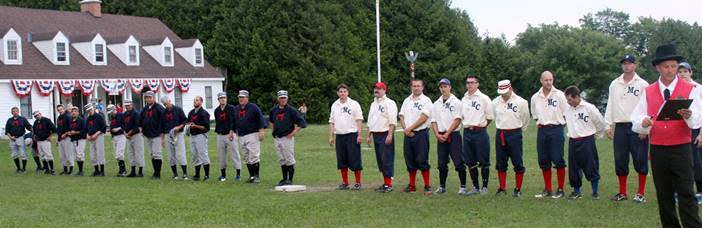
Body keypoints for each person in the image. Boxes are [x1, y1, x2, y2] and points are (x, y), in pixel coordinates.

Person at [631, 44, 702, 227]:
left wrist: (689, 115)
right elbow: (636, 119)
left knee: (686, 192)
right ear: (658, 68)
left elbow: (698, 119)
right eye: (666, 66)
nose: (670, 70)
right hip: (658, 149)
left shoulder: (690, 88)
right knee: (664, 195)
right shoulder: (648, 91)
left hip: (681, 148)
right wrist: (644, 122)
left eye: (673, 66)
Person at [604, 54, 650, 203]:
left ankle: (640, 193)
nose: (627, 66)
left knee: (640, 159)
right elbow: (610, 104)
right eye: (624, 63)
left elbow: (649, 107)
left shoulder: (642, 84)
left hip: (637, 126)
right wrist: (608, 125)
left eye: (630, 63)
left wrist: (645, 129)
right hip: (621, 127)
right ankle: (623, 192)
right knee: (620, 160)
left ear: (635, 65)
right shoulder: (614, 84)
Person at [563, 86, 606, 200]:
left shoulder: (589, 108)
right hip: (573, 140)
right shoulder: (567, 109)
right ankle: (577, 192)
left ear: (577, 97)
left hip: (587, 140)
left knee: (591, 166)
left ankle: (595, 192)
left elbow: (600, 123)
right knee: (573, 168)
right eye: (567, 100)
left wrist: (594, 136)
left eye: (570, 100)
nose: (568, 102)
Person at [530, 71, 568, 199]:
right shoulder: (535, 97)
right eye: (546, 80)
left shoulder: (560, 95)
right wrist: (543, 124)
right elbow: (535, 115)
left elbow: (566, 113)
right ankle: (548, 189)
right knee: (543, 160)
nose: (549, 82)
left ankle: (561, 189)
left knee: (558, 159)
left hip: (556, 129)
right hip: (542, 130)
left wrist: (557, 126)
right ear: (541, 80)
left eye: (550, 80)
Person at [492, 80, 530, 197]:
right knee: (500, 163)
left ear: (510, 88)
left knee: (517, 162)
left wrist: (517, 131)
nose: (503, 94)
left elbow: (525, 119)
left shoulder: (521, 102)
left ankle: (518, 189)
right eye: (501, 92)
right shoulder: (495, 102)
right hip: (500, 134)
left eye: (505, 92)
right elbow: (495, 117)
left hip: (515, 134)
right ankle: (502, 188)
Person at [430, 78, 467, 194]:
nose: (443, 89)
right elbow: (433, 121)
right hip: (440, 136)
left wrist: (447, 133)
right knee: (441, 163)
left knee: (458, 162)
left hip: (453, 135)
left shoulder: (456, 102)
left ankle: (463, 186)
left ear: (450, 87)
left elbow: (457, 119)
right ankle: (442, 186)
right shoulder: (436, 103)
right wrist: (437, 134)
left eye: (445, 86)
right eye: (441, 87)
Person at [399, 79, 434, 195]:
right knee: (410, 160)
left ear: (422, 87)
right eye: (414, 86)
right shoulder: (407, 100)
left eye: (418, 86)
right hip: (408, 134)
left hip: (420, 134)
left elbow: (424, 117)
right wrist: (406, 129)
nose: (416, 88)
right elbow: (402, 116)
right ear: (411, 87)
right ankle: (412, 185)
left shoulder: (426, 100)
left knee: (422, 159)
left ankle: (427, 185)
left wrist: (410, 128)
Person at [461, 76, 494, 195]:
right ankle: (475, 187)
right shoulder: (464, 99)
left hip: (480, 131)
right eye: (468, 83)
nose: (469, 85)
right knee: (470, 160)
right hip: (467, 132)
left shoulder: (484, 98)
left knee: (483, 159)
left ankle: (484, 187)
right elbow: (462, 116)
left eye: (472, 83)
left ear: (477, 84)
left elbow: (490, 117)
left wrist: (482, 126)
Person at [329, 84, 364, 190]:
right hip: (339, 135)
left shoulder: (354, 104)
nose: (342, 93)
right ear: (337, 93)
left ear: (348, 92)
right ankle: (345, 183)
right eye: (340, 91)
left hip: (352, 135)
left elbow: (359, 120)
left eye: (344, 91)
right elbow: (331, 121)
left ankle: (358, 183)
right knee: (342, 160)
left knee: (355, 159)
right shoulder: (335, 105)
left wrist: (359, 134)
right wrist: (331, 136)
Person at [269, 90, 307, 186]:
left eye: (284, 98)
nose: (283, 100)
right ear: (278, 98)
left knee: (289, 158)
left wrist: (293, 133)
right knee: (281, 159)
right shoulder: (274, 110)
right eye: (281, 98)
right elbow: (271, 121)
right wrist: (273, 130)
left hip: (287, 138)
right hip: (277, 138)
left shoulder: (291, 110)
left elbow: (302, 123)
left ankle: (290, 179)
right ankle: (284, 178)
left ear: (287, 98)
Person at [367, 82, 398, 193]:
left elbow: (392, 120)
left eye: (379, 89)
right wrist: (369, 135)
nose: (376, 90)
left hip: (385, 134)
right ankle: (385, 183)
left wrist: (390, 134)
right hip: (376, 134)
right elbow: (371, 120)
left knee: (387, 159)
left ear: (384, 90)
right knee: (380, 160)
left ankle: (389, 184)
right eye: (375, 88)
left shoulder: (389, 103)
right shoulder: (373, 104)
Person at [679, 62, 702, 203]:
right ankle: (681, 191)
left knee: (697, 162)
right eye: (680, 71)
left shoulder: (698, 88)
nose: (682, 74)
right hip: (680, 130)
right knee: (681, 162)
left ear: (691, 73)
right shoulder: (675, 89)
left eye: (685, 71)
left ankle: (700, 191)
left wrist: (701, 134)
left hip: (695, 130)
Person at [234, 90, 266, 183]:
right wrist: (232, 131)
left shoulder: (253, 107)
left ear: (247, 98)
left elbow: (260, 118)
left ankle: (256, 176)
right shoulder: (236, 109)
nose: (241, 99)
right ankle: (251, 176)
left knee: (254, 155)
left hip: (252, 134)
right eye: (240, 97)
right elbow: (234, 121)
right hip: (241, 135)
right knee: (246, 156)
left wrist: (261, 131)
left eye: (243, 97)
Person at [214, 92, 242, 182]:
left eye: (224, 98)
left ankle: (238, 174)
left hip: (230, 133)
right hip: (220, 134)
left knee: (234, 153)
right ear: (218, 100)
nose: (223, 99)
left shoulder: (231, 108)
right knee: (221, 155)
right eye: (221, 98)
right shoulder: (216, 110)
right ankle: (223, 175)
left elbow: (234, 120)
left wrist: (231, 131)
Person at [139, 91, 165, 179]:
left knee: (157, 153)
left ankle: (158, 174)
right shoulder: (145, 108)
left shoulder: (159, 108)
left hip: (156, 134)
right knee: (152, 154)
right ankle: (155, 172)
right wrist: (141, 128)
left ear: (153, 98)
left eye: (150, 97)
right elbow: (141, 119)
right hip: (148, 134)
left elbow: (163, 119)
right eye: (146, 97)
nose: (148, 99)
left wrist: (162, 132)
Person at [161, 96, 189, 180]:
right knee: (171, 155)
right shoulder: (163, 113)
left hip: (178, 134)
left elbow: (185, 121)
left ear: (170, 101)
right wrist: (162, 139)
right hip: (168, 135)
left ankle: (184, 173)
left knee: (180, 154)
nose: (166, 105)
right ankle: (175, 174)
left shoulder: (178, 109)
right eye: (165, 104)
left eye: (167, 103)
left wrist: (179, 127)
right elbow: (162, 126)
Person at [187, 96, 211, 181]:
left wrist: (195, 126)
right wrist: (188, 126)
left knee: (203, 154)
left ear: (201, 102)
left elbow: (206, 128)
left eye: (197, 100)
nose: (195, 101)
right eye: (194, 100)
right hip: (192, 136)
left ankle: (207, 176)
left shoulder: (204, 113)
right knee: (195, 155)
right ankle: (197, 175)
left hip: (201, 135)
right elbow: (188, 122)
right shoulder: (191, 112)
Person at [5, 106, 32, 173]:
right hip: (12, 139)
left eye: (16, 111)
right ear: (11, 112)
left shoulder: (22, 119)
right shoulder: (9, 120)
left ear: (18, 111)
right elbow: (7, 131)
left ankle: (24, 169)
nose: (15, 112)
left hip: (20, 138)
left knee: (23, 154)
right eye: (13, 111)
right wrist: (10, 137)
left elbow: (28, 126)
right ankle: (18, 168)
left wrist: (33, 129)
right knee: (14, 154)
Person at [123, 100, 144, 178]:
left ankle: (140, 171)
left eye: (128, 105)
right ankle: (133, 170)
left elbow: (137, 126)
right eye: (126, 105)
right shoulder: (125, 114)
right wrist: (125, 133)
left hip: (136, 135)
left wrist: (129, 133)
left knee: (138, 153)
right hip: (128, 136)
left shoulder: (136, 114)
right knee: (130, 153)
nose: (127, 107)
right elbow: (123, 124)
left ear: (132, 105)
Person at [32, 111, 56, 175]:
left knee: (48, 155)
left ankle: (52, 169)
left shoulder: (47, 120)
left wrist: (50, 136)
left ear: (40, 114)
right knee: (42, 156)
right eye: (35, 116)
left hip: (46, 140)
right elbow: (34, 131)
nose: (37, 117)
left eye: (37, 115)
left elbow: (54, 129)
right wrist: (34, 137)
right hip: (39, 141)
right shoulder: (35, 122)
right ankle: (46, 169)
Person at [85, 104, 107, 177]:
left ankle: (102, 171)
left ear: (93, 109)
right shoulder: (88, 118)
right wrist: (87, 135)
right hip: (91, 137)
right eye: (88, 111)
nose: (90, 112)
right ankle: (96, 170)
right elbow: (86, 128)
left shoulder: (99, 117)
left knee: (100, 153)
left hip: (98, 136)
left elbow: (103, 127)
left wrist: (96, 134)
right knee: (93, 154)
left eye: (90, 110)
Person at [65, 107, 87, 176]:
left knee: (80, 154)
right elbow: (70, 129)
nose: (73, 113)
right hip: (73, 139)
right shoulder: (71, 120)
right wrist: (69, 133)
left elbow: (84, 131)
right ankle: (79, 171)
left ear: (78, 112)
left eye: (75, 111)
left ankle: (81, 171)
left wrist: (76, 132)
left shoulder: (81, 120)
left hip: (80, 139)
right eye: (72, 111)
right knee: (76, 156)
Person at [108, 104, 128, 176]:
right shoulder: (111, 117)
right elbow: (111, 127)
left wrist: (119, 128)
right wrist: (112, 130)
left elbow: (125, 125)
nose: (111, 113)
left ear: (114, 109)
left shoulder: (121, 115)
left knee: (119, 153)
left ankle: (123, 170)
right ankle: (121, 170)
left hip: (121, 136)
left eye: (111, 111)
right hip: (114, 137)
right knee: (116, 154)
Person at [56, 104, 74, 175]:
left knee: (69, 154)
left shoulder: (68, 116)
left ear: (63, 108)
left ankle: (71, 170)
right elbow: (58, 129)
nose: (60, 111)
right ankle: (65, 170)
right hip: (61, 138)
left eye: (61, 109)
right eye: (58, 110)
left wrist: (66, 134)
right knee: (62, 155)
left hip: (67, 138)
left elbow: (71, 127)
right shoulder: (59, 118)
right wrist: (58, 139)